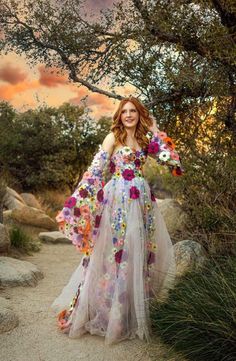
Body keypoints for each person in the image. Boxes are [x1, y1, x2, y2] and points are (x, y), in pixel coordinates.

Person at [50, 96, 184, 345]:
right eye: (125, 112)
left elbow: (173, 163)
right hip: (117, 200)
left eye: (133, 111)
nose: (129, 115)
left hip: (142, 201)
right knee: (116, 253)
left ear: (139, 114)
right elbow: (95, 172)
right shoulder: (113, 138)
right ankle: (108, 312)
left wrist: (155, 131)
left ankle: (128, 312)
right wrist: (76, 205)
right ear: (120, 116)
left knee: (138, 252)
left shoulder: (146, 140)